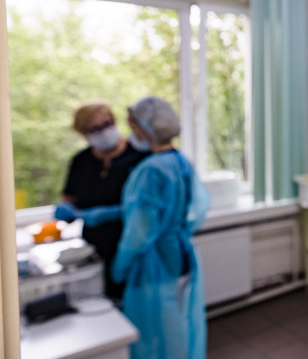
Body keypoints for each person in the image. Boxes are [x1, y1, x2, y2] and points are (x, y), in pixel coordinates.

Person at [111, 96, 210, 359]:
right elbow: (196, 207)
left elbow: (139, 231)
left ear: (143, 129)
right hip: (182, 254)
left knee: (160, 331)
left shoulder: (150, 170)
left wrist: (120, 266)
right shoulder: (181, 161)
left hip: (157, 263)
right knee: (179, 321)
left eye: (133, 126)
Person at [55, 101, 150, 301]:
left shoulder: (140, 156)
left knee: (134, 303)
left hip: (133, 244)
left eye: (107, 124)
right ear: (84, 134)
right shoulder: (81, 162)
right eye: (95, 129)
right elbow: (69, 198)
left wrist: (115, 212)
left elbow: (152, 206)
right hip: (94, 249)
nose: (104, 132)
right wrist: (66, 210)